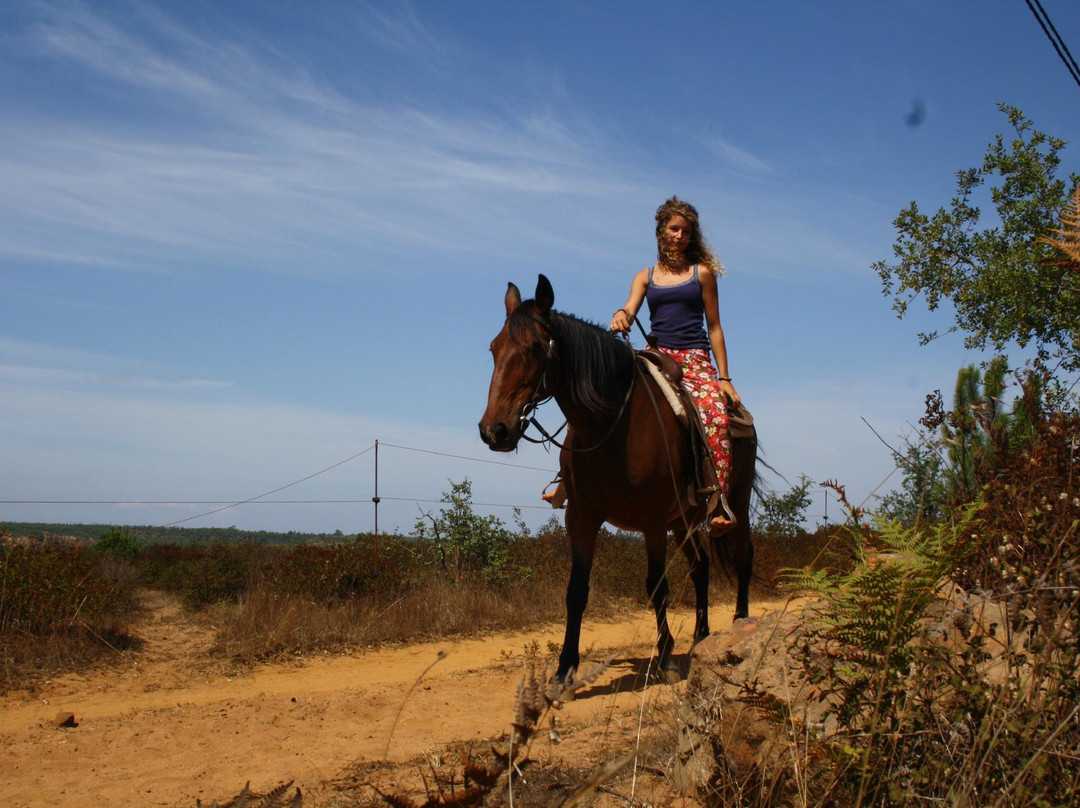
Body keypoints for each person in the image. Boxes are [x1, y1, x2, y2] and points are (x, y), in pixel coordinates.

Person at [609, 196, 741, 534]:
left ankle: (717, 503)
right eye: (674, 228)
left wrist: (723, 377)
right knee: (604, 391)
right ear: (661, 231)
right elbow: (629, 308)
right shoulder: (645, 276)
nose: (680, 235)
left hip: (695, 358)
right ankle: (568, 480)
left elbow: (714, 327)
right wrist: (620, 316)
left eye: (686, 231)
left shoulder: (703, 274)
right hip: (656, 355)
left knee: (715, 417)